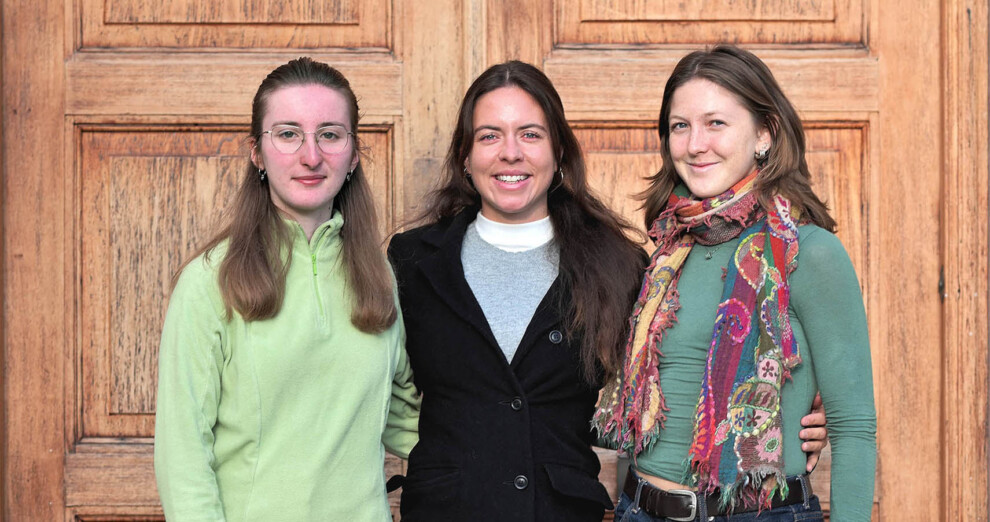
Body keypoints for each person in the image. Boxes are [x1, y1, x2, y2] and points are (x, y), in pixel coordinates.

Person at [387, 61, 829, 522]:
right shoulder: (412, 262)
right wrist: (447, 459)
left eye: (531, 134)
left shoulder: (619, 265)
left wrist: (793, 411)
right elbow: (377, 383)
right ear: (465, 155)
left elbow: (660, 388)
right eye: (489, 136)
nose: (510, 153)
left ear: (559, 151)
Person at [594, 45, 876, 521]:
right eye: (680, 126)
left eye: (716, 123)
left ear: (765, 133)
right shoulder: (665, 253)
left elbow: (854, 429)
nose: (695, 143)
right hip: (639, 509)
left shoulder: (809, 253)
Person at [153, 57, 420, 521]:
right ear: (257, 152)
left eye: (330, 134)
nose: (311, 156)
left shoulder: (378, 275)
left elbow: (403, 420)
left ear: (354, 154)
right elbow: (183, 455)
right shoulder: (209, 282)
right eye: (288, 133)